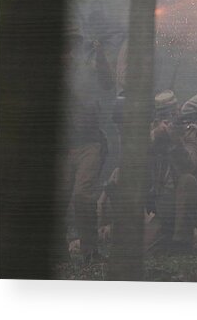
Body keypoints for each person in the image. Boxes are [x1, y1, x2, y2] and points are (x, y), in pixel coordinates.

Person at [60, 23, 114, 262]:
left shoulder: (87, 69)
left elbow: (108, 83)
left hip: (89, 142)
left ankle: (90, 250)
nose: (69, 50)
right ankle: (57, 249)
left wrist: (100, 53)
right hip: (62, 145)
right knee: (58, 197)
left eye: (72, 45)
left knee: (83, 195)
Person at [145, 90, 197, 254]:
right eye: (163, 115)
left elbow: (190, 166)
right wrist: (156, 136)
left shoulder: (191, 131)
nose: (168, 118)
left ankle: (182, 241)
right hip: (161, 204)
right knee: (147, 247)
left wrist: (176, 141)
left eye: (172, 113)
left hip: (187, 201)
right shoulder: (151, 133)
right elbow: (135, 159)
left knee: (188, 180)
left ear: (178, 111)